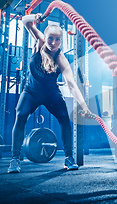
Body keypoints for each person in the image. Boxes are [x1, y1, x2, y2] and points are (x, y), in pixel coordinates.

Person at [8, 14, 94, 173]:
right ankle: (14, 159)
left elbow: (72, 85)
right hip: (31, 91)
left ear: (61, 40)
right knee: (20, 116)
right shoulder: (39, 43)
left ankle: (69, 158)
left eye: (57, 39)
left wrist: (84, 106)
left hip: (51, 94)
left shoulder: (60, 57)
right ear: (45, 37)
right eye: (50, 39)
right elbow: (26, 21)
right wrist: (37, 17)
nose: (53, 43)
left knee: (64, 119)